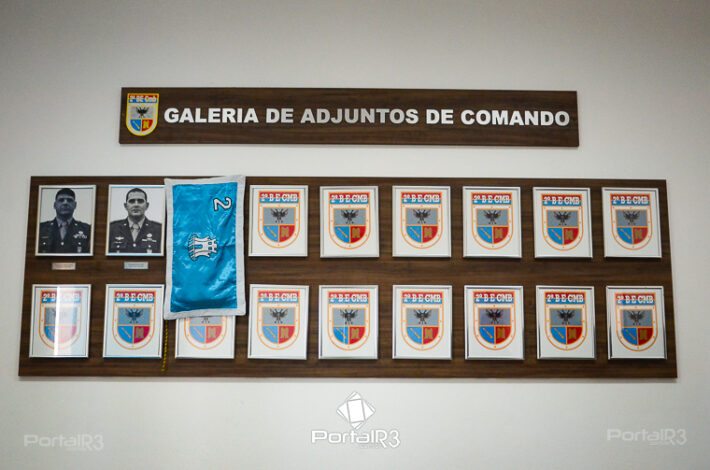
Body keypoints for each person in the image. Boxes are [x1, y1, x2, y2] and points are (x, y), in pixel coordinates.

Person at [108, 187, 162, 254]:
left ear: (147, 205)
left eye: (140, 201)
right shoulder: (112, 228)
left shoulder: (159, 230)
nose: (136, 205)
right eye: (132, 201)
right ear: (125, 206)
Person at [37, 188, 92, 254]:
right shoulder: (40, 228)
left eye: (69, 200)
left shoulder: (87, 230)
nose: (65, 203)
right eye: (61, 200)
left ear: (75, 205)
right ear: (54, 205)